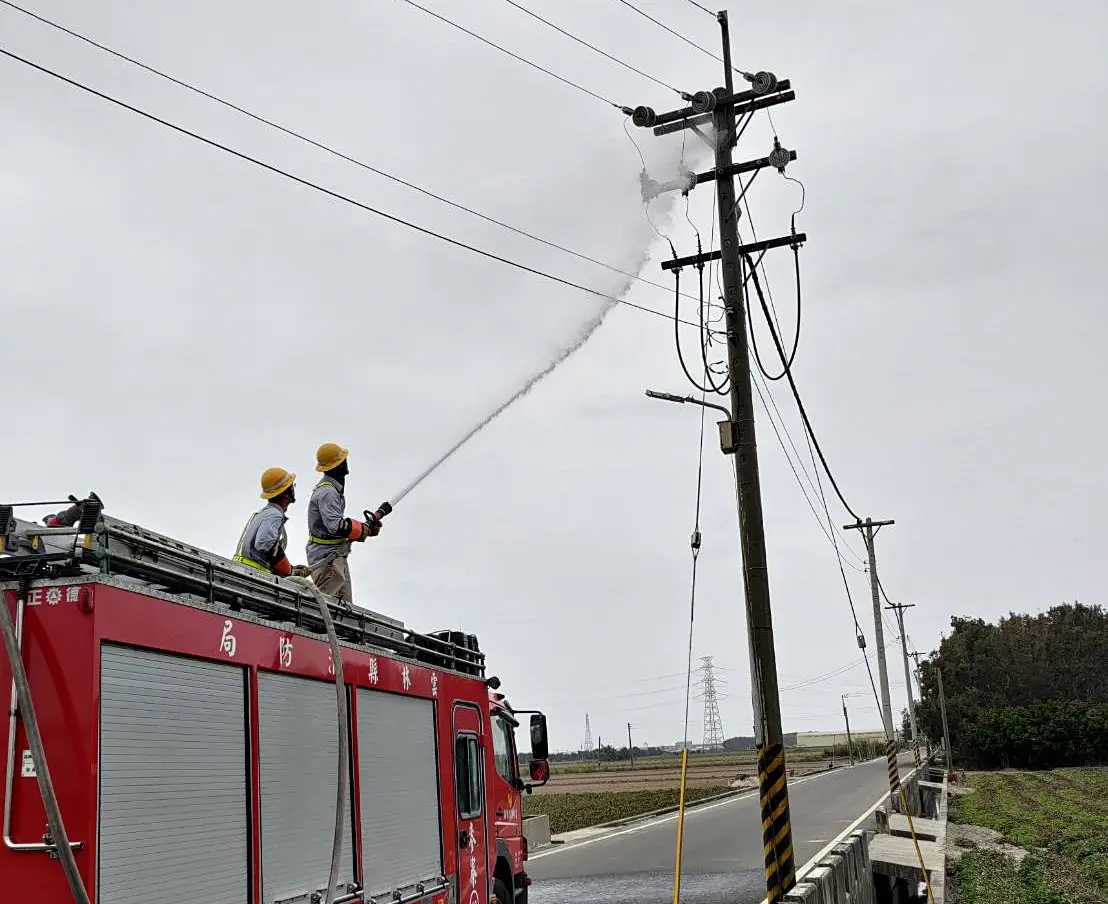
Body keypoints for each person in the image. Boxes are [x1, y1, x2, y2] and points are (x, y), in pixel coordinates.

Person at [306, 442, 379, 604]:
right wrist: (363, 529)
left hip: (335, 556)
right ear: (336, 466)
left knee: (344, 612)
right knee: (324, 610)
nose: (346, 463)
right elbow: (336, 526)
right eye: (343, 460)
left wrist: (365, 529)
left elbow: (338, 525)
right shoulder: (328, 492)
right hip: (328, 560)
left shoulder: (332, 490)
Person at [233, 467, 309, 578]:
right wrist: (289, 572)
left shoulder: (264, 513)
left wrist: (290, 568)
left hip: (243, 571)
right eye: (292, 486)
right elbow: (266, 543)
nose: (294, 489)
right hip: (253, 575)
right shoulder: (274, 515)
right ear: (286, 494)